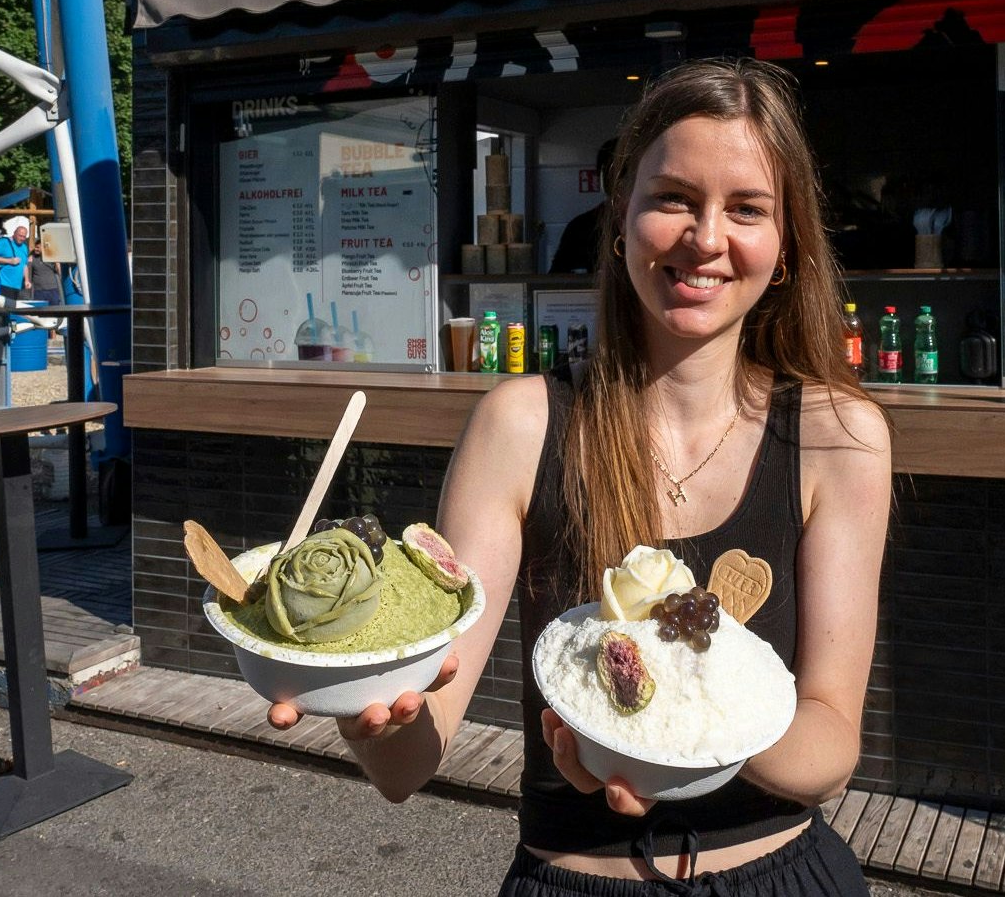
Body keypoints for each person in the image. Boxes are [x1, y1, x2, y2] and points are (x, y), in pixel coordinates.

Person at [274, 60, 892, 894]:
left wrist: (673, 724)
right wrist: (369, 704)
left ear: (784, 249)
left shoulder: (837, 435)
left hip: (785, 874)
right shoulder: (522, 424)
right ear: (619, 219)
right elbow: (411, 762)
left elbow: (828, 747)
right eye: (673, 197)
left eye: (746, 209)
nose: (706, 238)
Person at [547, 137, 617, 274]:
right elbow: (556, 281)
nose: (620, 182)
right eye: (613, 173)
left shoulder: (652, 227)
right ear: (602, 178)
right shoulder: (581, 228)